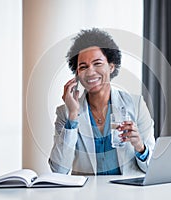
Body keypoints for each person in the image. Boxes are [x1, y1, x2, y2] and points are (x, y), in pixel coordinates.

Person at [48, 28, 155, 176]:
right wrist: (73, 115)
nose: (90, 72)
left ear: (111, 67)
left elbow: (153, 168)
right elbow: (58, 170)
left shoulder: (136, 105)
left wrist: (140, 147)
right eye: (83, 67)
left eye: (97, 63)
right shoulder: (65, 113)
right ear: (77, 74)